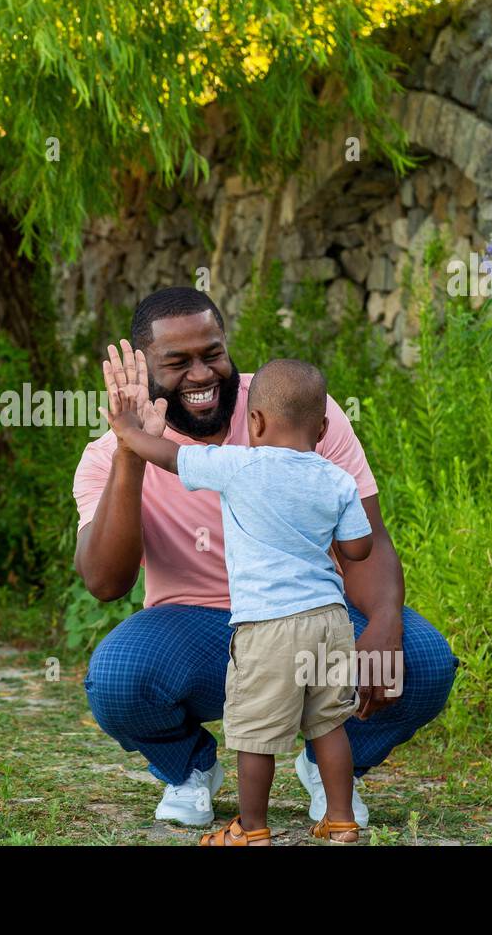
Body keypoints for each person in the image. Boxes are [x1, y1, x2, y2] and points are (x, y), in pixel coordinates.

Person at [73, 286, 459, 828]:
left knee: (423, 660)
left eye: (212, 353)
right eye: (177, 362)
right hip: (200, 633)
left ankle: (329, 769)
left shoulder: (294, 408)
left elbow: (369, 540)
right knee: (116, 676)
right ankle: (190, 769)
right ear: (145, 368)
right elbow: (105, 581)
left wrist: (386, 622)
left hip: (314, 615)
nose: (202, 374)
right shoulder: (105, 459)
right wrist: (131, 447)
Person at [101, 357, 372, 844]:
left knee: (255, 734)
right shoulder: (337, 480)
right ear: (323, 425)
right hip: (330, 620)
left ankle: (251, 829)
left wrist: (125, 428)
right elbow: (357, 550)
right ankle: (341, 820)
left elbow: (166, 455)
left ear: (256, 422)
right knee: (330, 723)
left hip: (268, 625)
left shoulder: (238, 464)